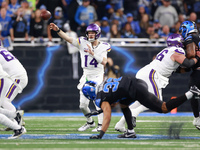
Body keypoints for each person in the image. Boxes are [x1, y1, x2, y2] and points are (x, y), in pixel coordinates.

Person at [114, 33, 200, 132]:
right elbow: (188, 64)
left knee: (140, 100)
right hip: (152, 75)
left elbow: (179, 69)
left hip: (146, 72)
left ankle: (120, 124)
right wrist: (197, 58)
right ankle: (134, 113)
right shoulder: (177, 51)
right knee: (157, 102)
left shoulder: (167, 51)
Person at [82, 76, 200, 139]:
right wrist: (99, 110)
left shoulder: (100, 98)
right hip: (136, 83)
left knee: (163, 108)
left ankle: (190, 93)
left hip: (135, 90)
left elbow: (107, 116)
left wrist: (100, 134)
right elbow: (114, 99)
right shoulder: (104, 84)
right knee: (124, 105)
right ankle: (130, 132)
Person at [49, 22, 111, 132]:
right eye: (89, 33)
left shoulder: (103, 46)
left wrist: (93, 54)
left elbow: (104, 62)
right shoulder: (82, 42)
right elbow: (68, 39)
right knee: (82, 105)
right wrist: (58, 30)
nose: (91, 35)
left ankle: (101, 125)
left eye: (93, 33)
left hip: (98, 75)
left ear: (97, 34)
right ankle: (90, 122)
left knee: (97, 99)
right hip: (86, 75)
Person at [0, 45, 28, 139]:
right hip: (13, 77)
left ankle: (16, 124)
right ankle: (15, 117)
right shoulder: (2, 50)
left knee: (5, 101)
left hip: (15, 77)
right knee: (4, 102)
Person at [179, 20, 200, 130]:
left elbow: (191, 54)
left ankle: (197, 118)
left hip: (198, 71)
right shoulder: (197, 36)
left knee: (193, 92)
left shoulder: (190, 37)